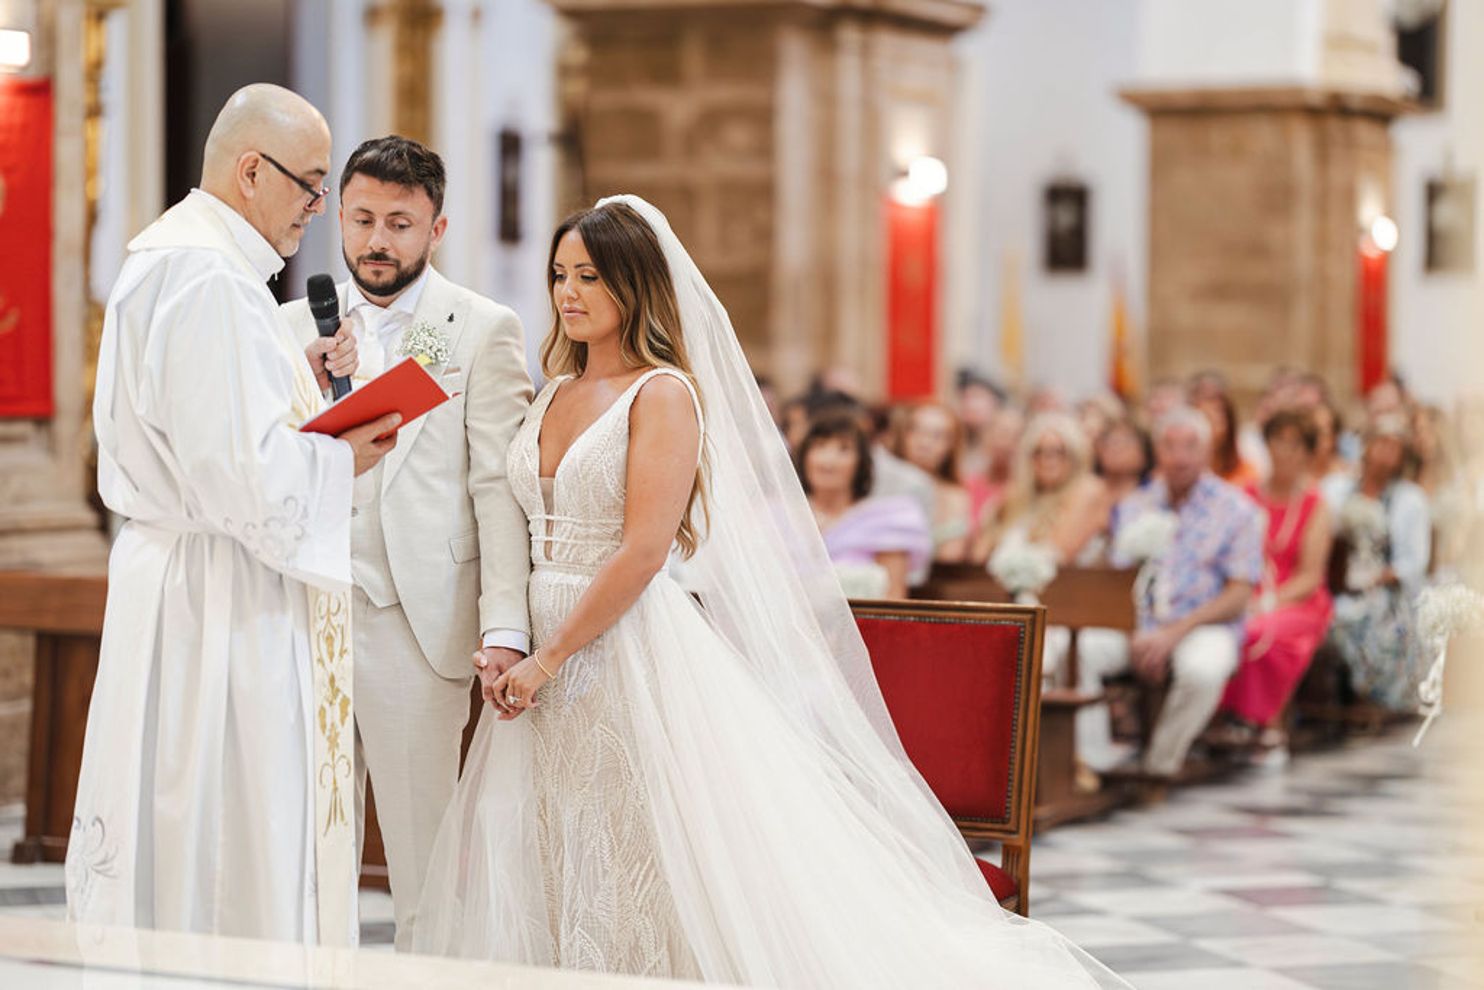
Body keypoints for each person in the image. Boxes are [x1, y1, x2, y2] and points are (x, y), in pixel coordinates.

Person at [412, 197, 1127, 988]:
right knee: (546, 838)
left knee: (634, 846)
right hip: (535, 648)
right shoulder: (549, 392)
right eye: (558, 275)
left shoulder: (663, 394)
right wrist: (507, 635)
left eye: (588, 275)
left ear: (634, 284)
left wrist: (549, 657)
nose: (567, 292)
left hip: (615, 649)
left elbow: (646, 549)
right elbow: (511, 520)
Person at [68, 84, 402, 943]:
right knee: (224, 836)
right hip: (221, 603)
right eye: (311, 184)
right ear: (252, 170)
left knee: (190, 825)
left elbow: (208, 422)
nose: (318, 209)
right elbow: (240, 476)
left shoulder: (175, 260)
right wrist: (344, 457)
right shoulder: (207, 277)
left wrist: (297, 366)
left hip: (191, 579)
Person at [279, 136, 533, 950]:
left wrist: (505, 626)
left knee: (425, 851)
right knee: (308, 846)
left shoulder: (479, 329)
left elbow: (497, 487)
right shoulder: (285, 328)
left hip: (416, 620)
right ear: (338, 220)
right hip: (301, 616)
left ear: (438, 228)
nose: (377, 240)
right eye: (360, 219)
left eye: (399, 222)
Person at [1085, 407, 1264, 790]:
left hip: (1202, 624)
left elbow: (1239, 592)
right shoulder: (1136, 505)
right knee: (1081, 649)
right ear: (1157, 451)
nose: (1180, 456)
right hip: (1136, 626)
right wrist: (1133, 629)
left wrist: (1175, 632)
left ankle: (1159, 764)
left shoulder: (1237, 509)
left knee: (1203, 669)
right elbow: (1119, 579)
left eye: (1191, 446)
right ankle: (1094, 760)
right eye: (1170, 446)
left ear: (1208, 451)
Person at [1217, 410, 1334, 763]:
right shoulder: (1243, 495)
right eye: (1278, 442)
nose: (1285, 452)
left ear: (1308, 452)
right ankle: (1220, 722)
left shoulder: (1316, 505)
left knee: (1261, 632)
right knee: (1228, 626)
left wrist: (1269, 600)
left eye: (1295, 445)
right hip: (1244, 589)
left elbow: (1310, 576)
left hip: (1298, 598)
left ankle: (1265, 725)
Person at [1325, 415, 1432, 710]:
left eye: (1394, 446)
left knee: (1364, 619)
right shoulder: (1336, 489)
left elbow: (1414, 561)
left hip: (1388, 591)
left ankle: (1370, 695)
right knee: (1334, 612)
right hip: (1338, 582)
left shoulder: (1411, 499)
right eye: (1380, 443)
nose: (1385, 452)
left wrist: (1376, 578)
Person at [799, 414, 932, 598]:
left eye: (843, 449)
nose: (828, 461)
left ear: (861, 462)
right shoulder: (774, 519)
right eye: (819, 446)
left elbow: (894, 599)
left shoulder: (886, 520)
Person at [971, 412, 1108, 567]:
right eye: (1039, 452)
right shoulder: (1017, 495)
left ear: (1075, 455)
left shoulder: (1087, 490)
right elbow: (980, 554)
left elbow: (1059, 555)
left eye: (1058, 452)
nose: (1047, 460)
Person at [891, 400, 975, 562]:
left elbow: (950, 558)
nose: (925, 443)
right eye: (916, 431)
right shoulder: (881, 486)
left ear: (951, 445)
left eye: (937, 436)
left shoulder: (955, 497)